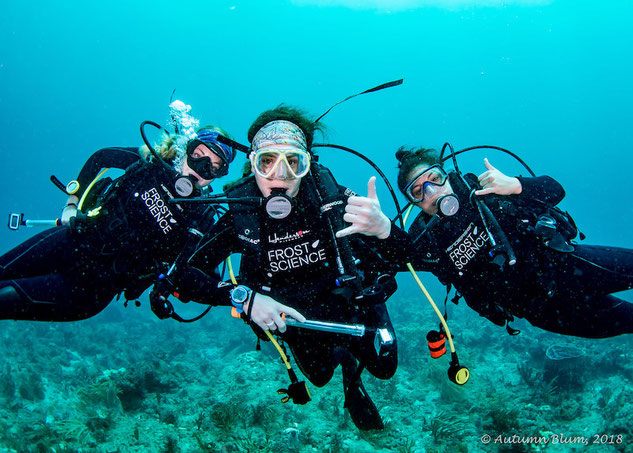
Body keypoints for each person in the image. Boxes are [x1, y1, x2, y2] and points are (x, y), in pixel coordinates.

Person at [167, 105, 408, 430]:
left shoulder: (330, 198)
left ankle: (353, 371)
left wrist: (385, 230)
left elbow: (414, 257)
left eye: (292, 162)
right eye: (267, 161)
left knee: (385, 367)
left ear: (307, 164)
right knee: (320, 377)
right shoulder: (243, 212)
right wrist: (245, 299)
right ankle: (345, 367)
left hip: (352, 307)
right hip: (294, 321)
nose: (279, 175)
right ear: (252, 163)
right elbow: (183, 275)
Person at [0, 125, 237, 322]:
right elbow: (101, 157)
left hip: (91, 291)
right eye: (199, 155)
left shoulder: (202, 217)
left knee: (5, 298)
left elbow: (202, 277)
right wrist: (72, 203)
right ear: (188, 148)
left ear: (220, 175)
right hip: (70, 242)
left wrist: (243, 298)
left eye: (215, 167)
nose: (202, 169)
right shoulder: (150, 162)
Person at [396, 146, 633, 339]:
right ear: (413, 202)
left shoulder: (482, 190)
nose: (431, 192)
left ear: (446, 175)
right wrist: (378, 229)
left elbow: (555, 190)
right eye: (418, 191)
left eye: (434, 179)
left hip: (570, 269)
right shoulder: (425, 242)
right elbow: (388, 258)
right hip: (544, 312)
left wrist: (516, 186)